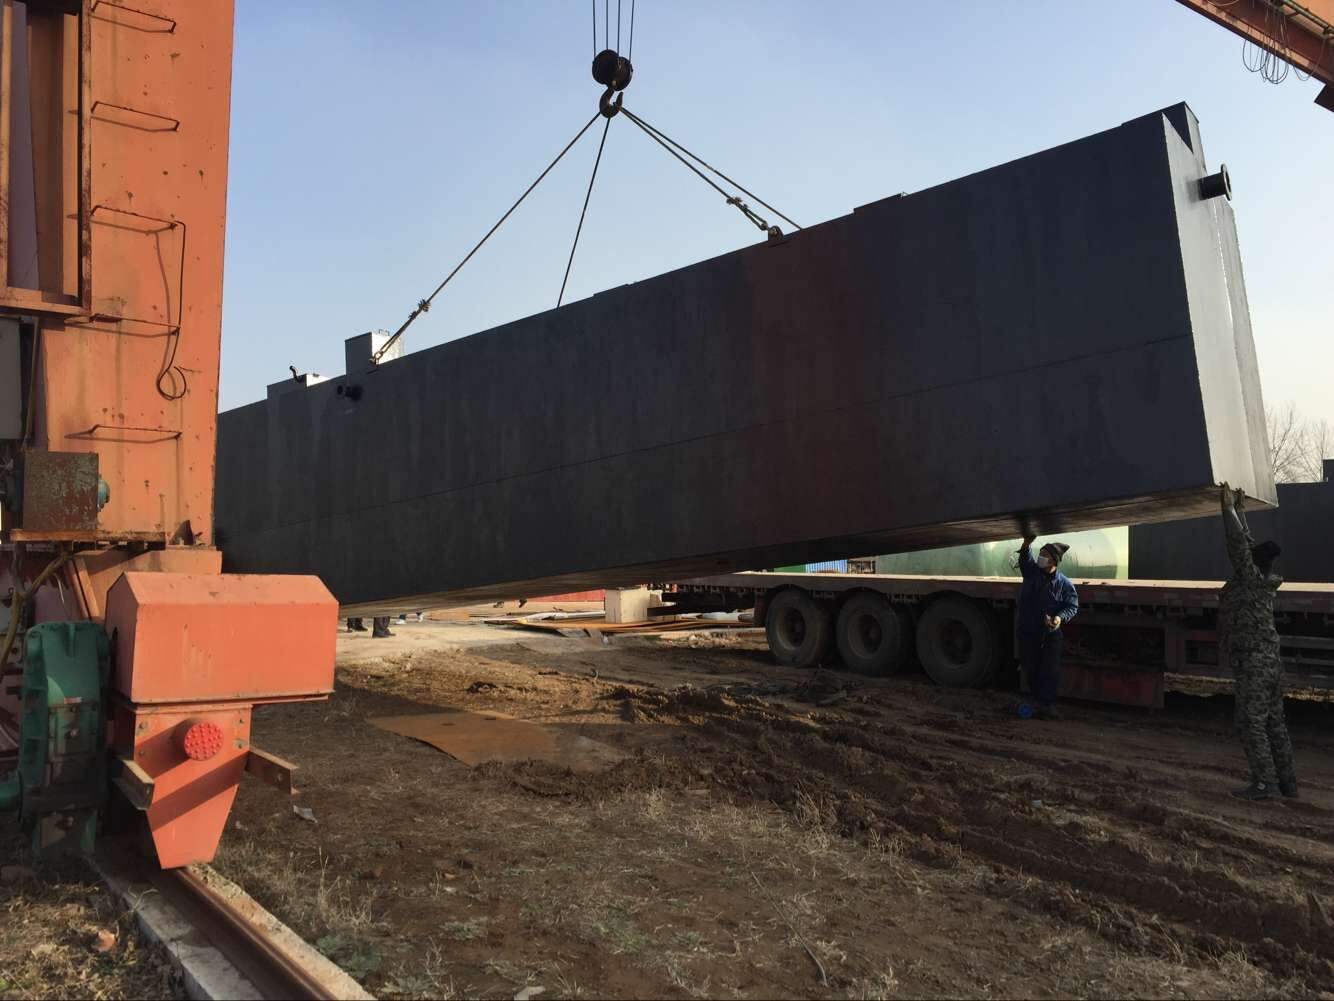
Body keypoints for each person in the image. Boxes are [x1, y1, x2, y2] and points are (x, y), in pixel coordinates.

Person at [1218, 483, 1296, 800]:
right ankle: (1287, 783)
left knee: (1251, 723)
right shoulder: (1262, 581)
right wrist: (1240, 508)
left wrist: (1227, 509)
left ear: (1252, 565)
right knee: (1275, 723)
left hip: (1254, 665)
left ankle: (1265, 783)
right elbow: (1247, 545)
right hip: (1271, 664)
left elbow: (1238, 546)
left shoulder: (1248, 579)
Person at [1017, 534, 1079, 720]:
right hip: (1029, 630)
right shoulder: (1031, 573)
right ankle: (1036, 701)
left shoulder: (1064, 584)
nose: (1040, 557)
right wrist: (1026, 543)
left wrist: (1059, 618)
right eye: (1040, 553)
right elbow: (1024, 558)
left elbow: (1072, 606)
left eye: (1045, 555)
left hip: (1050, 634)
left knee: (1050, 670)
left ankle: (1047, 705)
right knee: (1030, 667)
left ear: (1054, 560)